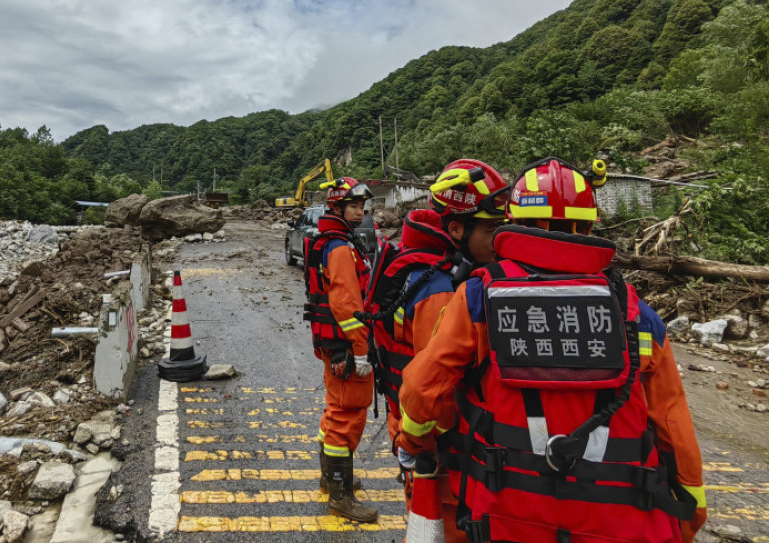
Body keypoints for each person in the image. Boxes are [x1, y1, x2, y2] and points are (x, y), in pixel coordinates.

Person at [399, 157, 706, 543]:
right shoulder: (633, 312)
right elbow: (675, 431)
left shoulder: (479, 297)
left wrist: (415, 443)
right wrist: (688, 515)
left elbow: (421, 392)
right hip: (621, 523)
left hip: (505, 517)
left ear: (512, 222)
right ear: (590, 224)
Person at [362, 159, 508, 540]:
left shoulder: (418, 263)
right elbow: (433, 388)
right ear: (456, 228)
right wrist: (422, 444)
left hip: (412, 429)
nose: (502, 240)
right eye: (493, 229)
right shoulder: (438, 285)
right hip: (438, 450)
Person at [302, 176, 377, 522]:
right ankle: (340, 495)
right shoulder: (340, 248)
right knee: (347, 415)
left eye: (362, 206)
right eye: (353, 206)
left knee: (335, 409)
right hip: (346, 347)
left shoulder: (326, 241)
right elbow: (347, 305)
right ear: (337, 208)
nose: (360, 211)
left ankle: (331, 477)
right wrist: (360, 350)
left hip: (331, 344)